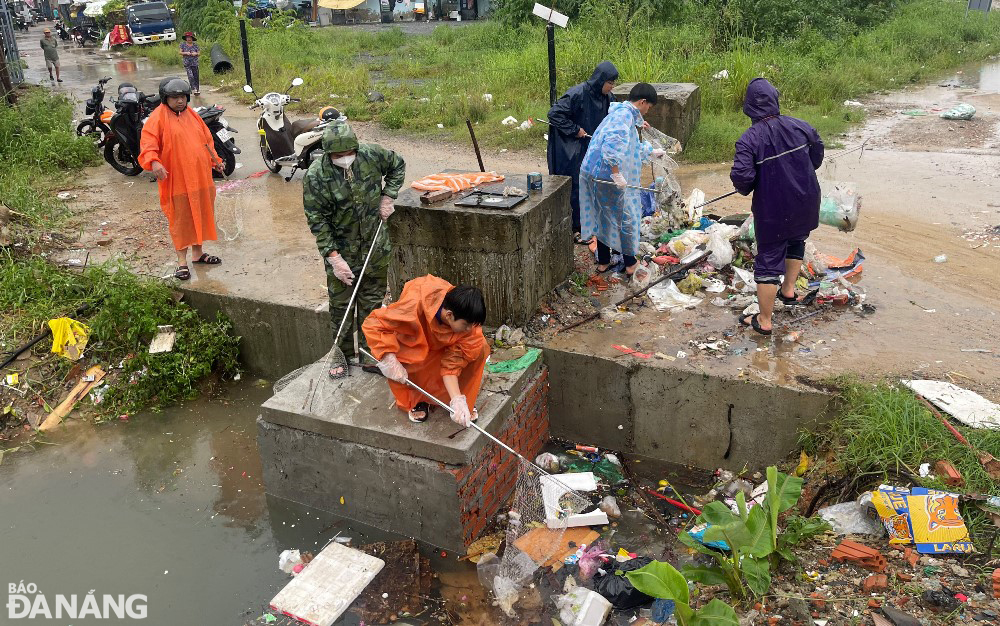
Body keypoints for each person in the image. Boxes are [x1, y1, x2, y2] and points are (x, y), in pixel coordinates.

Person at [302, 122, 405, 379]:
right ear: (328, 155)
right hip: (342, 252)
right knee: (342, 306)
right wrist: (334, 258)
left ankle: (371, 354)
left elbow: (398, 166)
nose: (345, 158)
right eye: (338, 156)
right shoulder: (316, 176)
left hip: (374, 245)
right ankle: (343, 355)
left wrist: (388, 196)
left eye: (350, 152)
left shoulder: (372, 154)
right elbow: (318, 221)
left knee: (372, 304)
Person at [731, 78, 824, 336]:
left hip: (773, 209)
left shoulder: (749, 139)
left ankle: (764, 319)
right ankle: (789, 290)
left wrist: (749, 185)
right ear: (775, 99)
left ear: (749, 107)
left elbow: (742, 178)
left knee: (769, 259)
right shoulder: (800, 125)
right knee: (796, 240)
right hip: (806, 200)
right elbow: (817, 152)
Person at [362, 276, 490, 426]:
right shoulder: (416, 303)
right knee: (412, 357)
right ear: (449, 315)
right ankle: (417, 398)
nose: (470, 329)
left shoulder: (468, 326)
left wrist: (457, 399)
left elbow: (452, 365)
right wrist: (387, 357)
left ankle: (458, 399)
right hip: (415, 338)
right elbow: (375, 323)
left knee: (479, 348)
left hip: (443, 347)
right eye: (466, 325)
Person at [138, 78, 224, 280]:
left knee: (200, 214)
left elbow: (206, 141)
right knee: (180, 219)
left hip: (200, 177)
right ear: (165, 98)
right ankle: (182, 263)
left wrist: (216, 161)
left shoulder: (193, 116)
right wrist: (155, 162)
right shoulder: (157, 118)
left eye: (183, 97)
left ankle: (198, 254)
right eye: (175, 97)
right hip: (176, 179)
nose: (180, 101)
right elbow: (148, 143)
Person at [579, 82, 664, 277]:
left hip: (596, 173)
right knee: (626, 218)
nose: (648, 111)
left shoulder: (621, 113)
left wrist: (651, 152)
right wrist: (616, 174)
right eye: (649, 107)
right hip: (605, 176)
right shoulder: (623, 116)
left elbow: (631, 148)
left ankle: (603, 261)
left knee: (604, 216)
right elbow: (612, 148)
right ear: (642, 102)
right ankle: (630, 264)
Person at [546, 61, 618, 244]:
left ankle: (588, 223)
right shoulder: (577, 94)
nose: (612, 87)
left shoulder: (608, 97)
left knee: (592, 183)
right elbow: (554, 114)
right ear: (600, 80)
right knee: (576, 186)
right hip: (572, 147)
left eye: (613, 83)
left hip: (591, 146)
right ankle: (574, 227)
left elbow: (617, 113)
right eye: (610, 83)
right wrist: (574, 129)